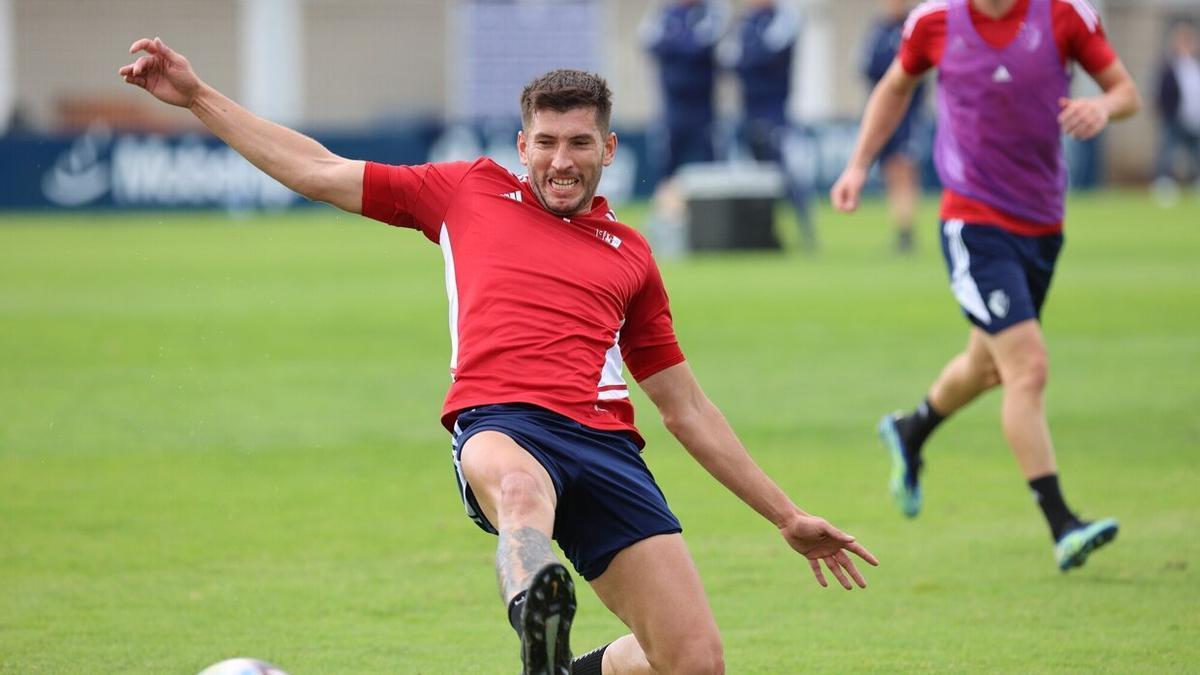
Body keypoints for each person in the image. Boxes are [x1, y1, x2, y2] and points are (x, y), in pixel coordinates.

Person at [120, 38, 878, 675]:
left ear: (609, 149)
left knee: (694, 662)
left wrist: (785, 514)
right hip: (502, 421)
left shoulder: (634, 257)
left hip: (608, 447)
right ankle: (536, 617)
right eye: (545, 142)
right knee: (519, 490)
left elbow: (686, 408)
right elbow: (316, 169)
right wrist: (197, 97)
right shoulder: (466, 192)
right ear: (522, 146)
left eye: (580, 142)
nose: (561, 160)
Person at [830, 0, 1140, 572]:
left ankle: (911, 430)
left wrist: (1103, 107)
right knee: (1028, 367)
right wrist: (858, 165)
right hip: (973, 224)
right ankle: (1062, 524)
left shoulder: (1066, 16)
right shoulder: (934, 22)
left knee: (989, 363)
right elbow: (895, 86)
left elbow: (1126, 91)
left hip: (1044, 224)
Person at [722, 0, 817, 250]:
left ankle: (806, 232)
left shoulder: (785, 17)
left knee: (791, 177)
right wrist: (751, 55)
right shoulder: (744, 23)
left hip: (776, 113)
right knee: (750, 179)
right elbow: (728, 59)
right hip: (747, 112)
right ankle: (762, 234)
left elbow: (764, 54)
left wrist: (749, 55)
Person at [861, 0, 928, 253]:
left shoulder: (912, 27)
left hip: (907, 114)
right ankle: (900, 226)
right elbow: (866, 66)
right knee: (891, 170)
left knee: (904, 169)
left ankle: (906, 229)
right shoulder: (878, 30)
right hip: (882, 110)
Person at [1151, 20, 1200, 206]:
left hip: (1195, 118)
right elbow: (1161, 91)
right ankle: (1164, 183)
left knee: (1196, 153)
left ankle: (1196, 182)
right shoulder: (1168, 65)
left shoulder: (1196, 65)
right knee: (1168, 152)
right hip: (1174, 117)